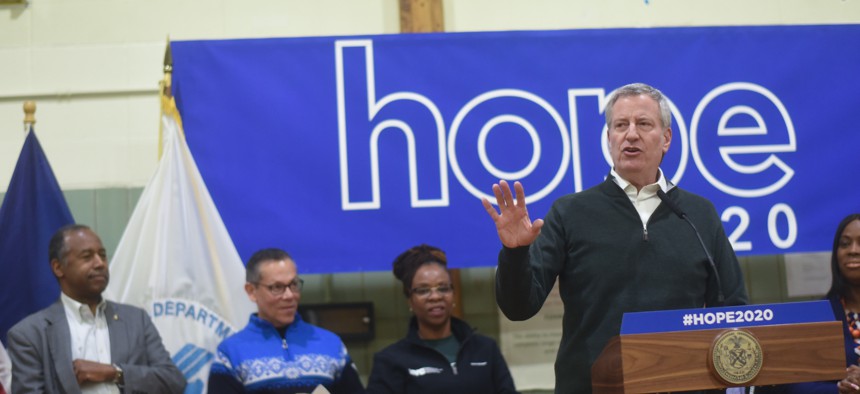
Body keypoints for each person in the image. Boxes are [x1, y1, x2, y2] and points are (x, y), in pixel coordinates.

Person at [481, 82, 749, 393]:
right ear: (609, 139)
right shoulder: (570, 212)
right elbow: (519, 308)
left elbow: (733, 310)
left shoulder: (698, 214)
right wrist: (515, 253)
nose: (630, 134)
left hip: (682, 383)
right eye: (620, 125)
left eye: (643, 123)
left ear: (666, 138)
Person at [6, 224, 186, 393]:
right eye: (87, 257)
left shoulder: (136, 319)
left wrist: (114, 372)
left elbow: (173, 382)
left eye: (102, 255)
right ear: (58, 267)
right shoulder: (30, 335)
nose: (100, 263)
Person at [207, 248, 365, 394]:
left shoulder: (331, 344)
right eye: (277, 287)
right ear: (251, 291)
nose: (289, 295)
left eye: (294, 284)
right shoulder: (230, 353)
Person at [366, 244, 518, 394]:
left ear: (453, 295)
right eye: (423, 290)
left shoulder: (485, 349)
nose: (435, 297)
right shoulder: (390, 360)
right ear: (410, 300)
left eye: (443, 288)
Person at [775, 213, 860, 394]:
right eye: (844, 244)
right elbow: (794, 385)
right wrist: (839, 389)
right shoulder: (818, 316)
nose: (853, 250)